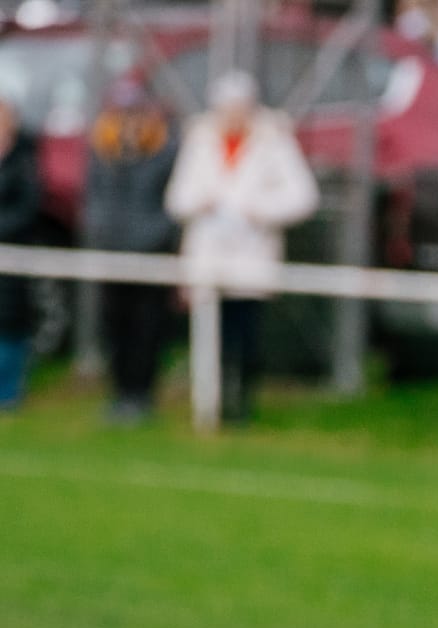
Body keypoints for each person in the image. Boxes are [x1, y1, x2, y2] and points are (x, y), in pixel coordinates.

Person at [165, 72, 318, 425]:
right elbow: (177, 198)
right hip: (209, 254)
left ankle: (241, 403)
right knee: (210, 334)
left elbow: (302, 197)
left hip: (252, 255)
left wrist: (259, 210)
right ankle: (210, 403)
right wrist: (202, 202)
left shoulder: (274, 139)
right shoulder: (201, 139)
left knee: (245, 334)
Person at [84, 78, 179, 423]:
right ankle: (120, 392)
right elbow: (93, 197)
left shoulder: (165, 146)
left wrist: (153, 236)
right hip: (111, 250)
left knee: (147, 325)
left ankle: (141, 394)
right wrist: (101, 231)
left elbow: (172, 202)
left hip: (151, 251)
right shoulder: (101, 145)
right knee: (115, 324)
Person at [0, 91, 40, 412]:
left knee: (11, 319)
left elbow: (28, 207)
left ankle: (9, 391)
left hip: (13, 251)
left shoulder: (24, 159)